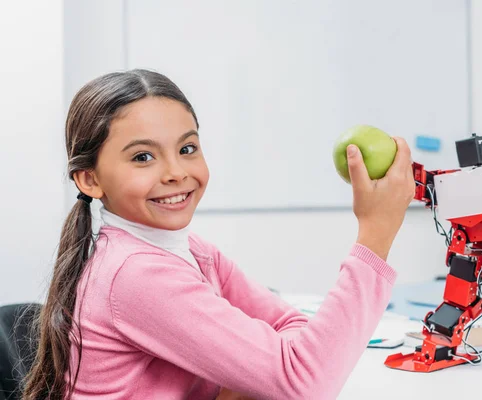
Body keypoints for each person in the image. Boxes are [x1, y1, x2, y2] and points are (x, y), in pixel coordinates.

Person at [22, 69, 415, 400]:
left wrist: (271, 370)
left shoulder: (194, 253)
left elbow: (290, 328)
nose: (175, 171)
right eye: (143, 156)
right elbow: (307, 380)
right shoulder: (135, 275)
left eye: (188, 148)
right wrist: (376, 232)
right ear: (90, 179)